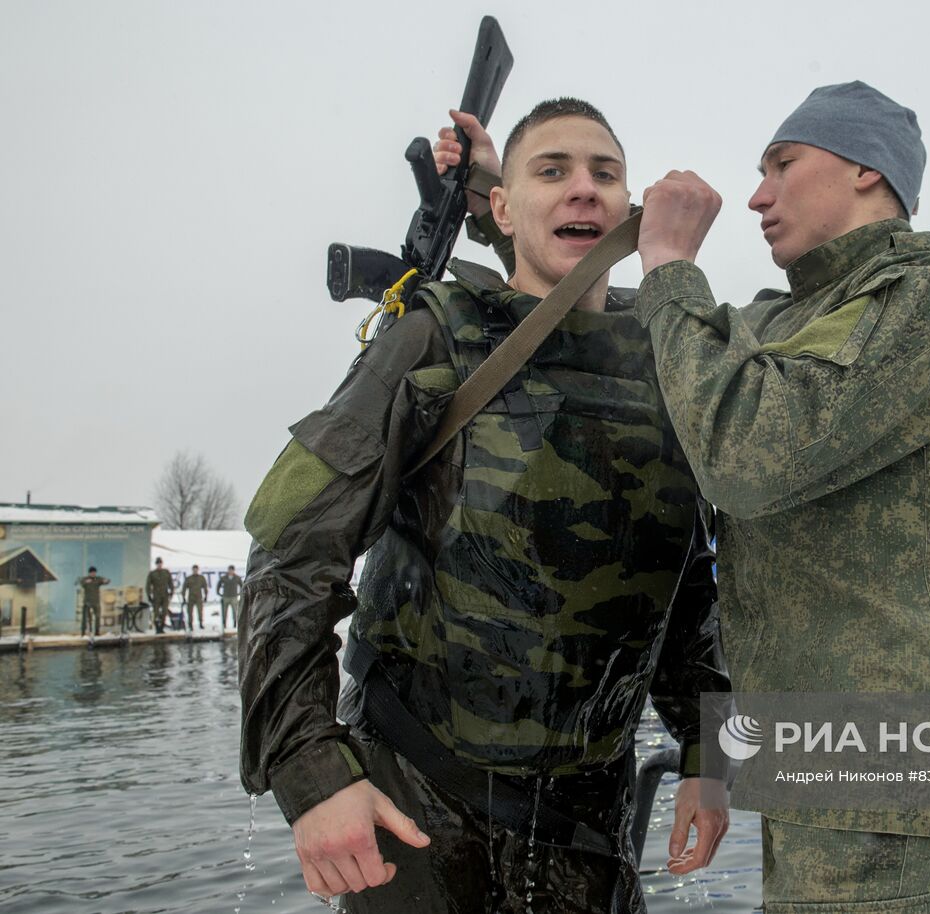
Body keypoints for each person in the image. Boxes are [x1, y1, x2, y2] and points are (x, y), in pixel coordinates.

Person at [239, 97, 729, 914]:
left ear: (631, 207)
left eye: (604, 174)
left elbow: (687, 585)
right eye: (552, 171)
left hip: (589, 821)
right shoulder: (435, 338)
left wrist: (706, 756)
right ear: (500, 207)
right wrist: (313, 774)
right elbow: (290, 552)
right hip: (418, 800)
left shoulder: (673, 355)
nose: (584, 190)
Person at [633, 81, 930, 912]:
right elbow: (646, 346)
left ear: (865, 169)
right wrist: (487, 204)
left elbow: (749, 453)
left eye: (782, 164)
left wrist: (673, 268)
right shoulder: (783, 320)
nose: (756, 196)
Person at [78, 566, 109, 636]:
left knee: (98, 617)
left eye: (94, 572)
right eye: (92, 572)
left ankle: (97, 632)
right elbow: (81, 583)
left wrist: (106, 580)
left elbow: (106, 581)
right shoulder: (85, 579)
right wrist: (86, 582)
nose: (93, 574)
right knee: (85, 618)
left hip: (96, 602)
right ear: (89, 573)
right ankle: (83, 633)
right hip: (87, 602)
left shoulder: (98, 579)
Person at [146, 557, 174, 633]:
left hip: (165, 595)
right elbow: (148, 585)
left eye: (160, 563)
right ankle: (157, 628)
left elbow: (171, 583)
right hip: (156, 595)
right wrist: (149, 596)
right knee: (156, 612)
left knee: (165, 611)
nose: (159, 565)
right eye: (158, 563)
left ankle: (162, 627)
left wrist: (172, 592)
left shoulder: (166, 572)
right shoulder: (152, 573)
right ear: (156, 564)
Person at [181, 565, 207, 630]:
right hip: (191, 597)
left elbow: (205, 587)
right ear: (192, 570)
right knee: (190, 611)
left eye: (196, 569)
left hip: (199, 597)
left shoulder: (201, 578)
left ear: (198, 570)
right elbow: (184, 588)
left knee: (200, 611)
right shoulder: (189, 578)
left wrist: (206, 596)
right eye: (194, 569)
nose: (195, 571)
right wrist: (183, 597)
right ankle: (190, 624)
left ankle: (200, 623)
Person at [217, 565, 241, 630]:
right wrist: (218, 592)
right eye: (229, 570)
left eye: (232, 570)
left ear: (233, 570)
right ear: (228, 570)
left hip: (234, 597)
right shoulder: (224, 578)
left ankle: (234, 623)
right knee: (224, 611)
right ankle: (224, 623)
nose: (230, 571)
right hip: (226, 597)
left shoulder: (237, 578)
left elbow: (242, 586)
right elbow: (218, 584)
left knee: (234, 611)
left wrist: (239, 593)